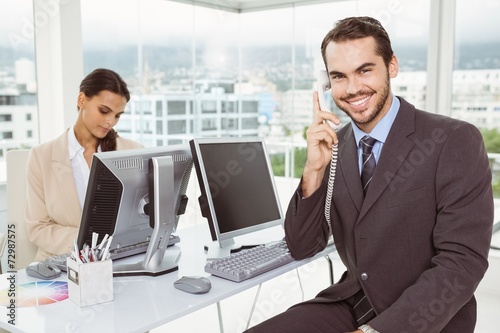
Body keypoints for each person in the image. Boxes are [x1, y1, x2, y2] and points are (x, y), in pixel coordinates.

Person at [245, 16, 493, 333]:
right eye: (339, 76)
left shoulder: (453, 140)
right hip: (351, 301)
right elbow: (302, 246)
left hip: (423, 317)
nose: (352, 88)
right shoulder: (336, 147)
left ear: (391, 66)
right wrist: (314, 169)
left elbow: (462, 262)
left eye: (364, 70)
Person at [25, 68, 143, 261]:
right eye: (104, 111)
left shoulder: (134, 151)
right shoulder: (41, 157)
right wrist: (89, 241)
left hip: (119, 260)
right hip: (62, 263)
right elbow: (38, 228)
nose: (110, 122)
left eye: (117, 115)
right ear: (82, 100)